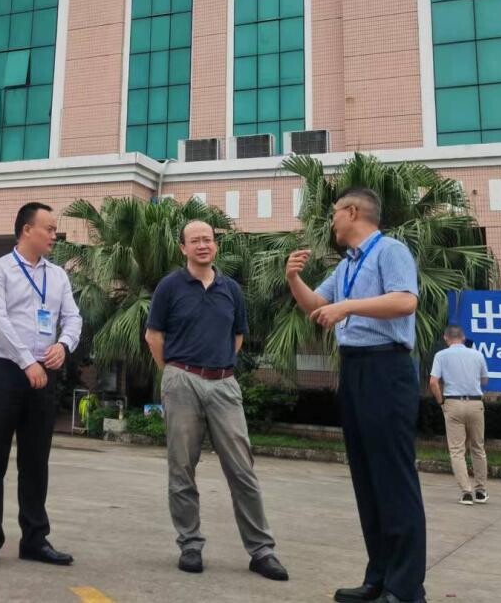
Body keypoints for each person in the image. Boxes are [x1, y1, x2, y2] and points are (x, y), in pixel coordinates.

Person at [285, 187, 427, 603]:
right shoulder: (347, 264)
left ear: (351, 211)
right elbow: (317, 305)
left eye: (334, 213)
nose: (331, 221)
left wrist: (347, 308)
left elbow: (405, 301)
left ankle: (405, 589)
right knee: (367, 478)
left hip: (387, 367)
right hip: (354, 367)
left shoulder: (390, 250)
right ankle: (378, 578)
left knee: (393, 477)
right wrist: (293, 278)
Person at [144, 220, 288, 582]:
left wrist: (218, 367)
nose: (202, 245)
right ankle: (190, 545)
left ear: (216, 245)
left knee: (242, 469)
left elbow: (237, 336)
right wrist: (173, 372)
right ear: (183, 248)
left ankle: (262, 551)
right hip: (182, 380)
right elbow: (153, 336)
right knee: (182, 467)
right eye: (195, 240)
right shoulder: (170, 286)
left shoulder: (231, 289)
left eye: (207, 239)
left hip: (224, 383)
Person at [0, 202, 81, 569]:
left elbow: (73, 317)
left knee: (36, 460)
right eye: (48, 228)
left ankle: (35, 539)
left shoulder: (58, 275)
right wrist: (26, 361)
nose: (54, 235)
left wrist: (63, 345)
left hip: (44, 371)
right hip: (5, 370)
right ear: (26, 230)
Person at [429, 325, 489, 506]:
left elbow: (433, 382)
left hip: (453, 403)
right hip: (475, 403)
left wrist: (441, 402)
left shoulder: (441, 355)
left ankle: (466, 492)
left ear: (445, 338)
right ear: (463, 337)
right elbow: (485, 380)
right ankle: (481, 491)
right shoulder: (477, 355)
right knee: (478, 448)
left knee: (457, 450)